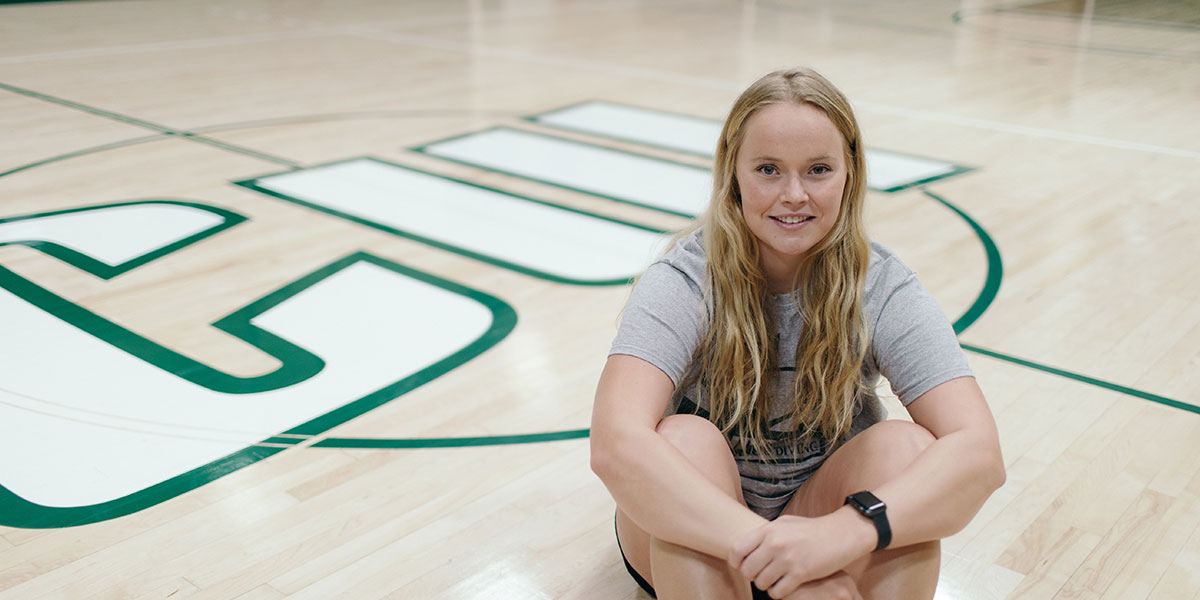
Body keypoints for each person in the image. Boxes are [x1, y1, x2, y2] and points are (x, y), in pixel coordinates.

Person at [589, 67, 1006, 600]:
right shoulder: (685, 280)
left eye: (817, 170)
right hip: (701, 530)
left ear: (849, 174)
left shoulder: (879, 285)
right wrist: (768, 550)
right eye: (768, 169)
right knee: (684, 441)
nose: (793, 194)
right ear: (732, 175)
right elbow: (615, 445)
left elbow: (979, 453)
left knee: (905, 450)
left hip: (820, 522)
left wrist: (842, 534)